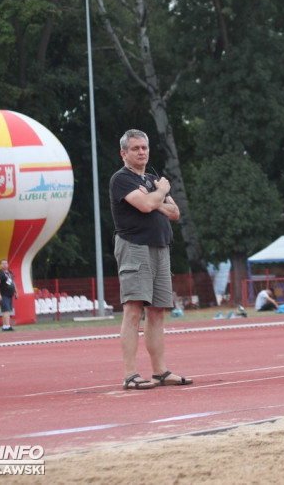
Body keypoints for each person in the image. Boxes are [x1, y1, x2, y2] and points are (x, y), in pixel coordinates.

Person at [109, 128, 192, 390]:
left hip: (160, 246)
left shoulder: (151, 180)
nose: (141, 152)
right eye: (135, 148)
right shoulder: (121, 179)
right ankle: (131, 374)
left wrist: (152, 198)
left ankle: (160, 371)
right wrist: (159, 194)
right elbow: (145, 206)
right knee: (133, 310)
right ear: (124, 153)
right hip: (134, 247)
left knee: (157, 313)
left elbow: (175, 212)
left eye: (144, 147)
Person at [0, 259, 19, 331]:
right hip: (3, 294)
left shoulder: (10, 272)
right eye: (3, 264)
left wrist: (16, 292)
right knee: (5, 310)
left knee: (7, 311)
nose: (4, 265)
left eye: (6, 263)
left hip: (10, 294)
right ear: (0, 265)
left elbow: (13, 283)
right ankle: (7, 326)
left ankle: (5, 326)